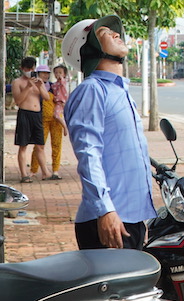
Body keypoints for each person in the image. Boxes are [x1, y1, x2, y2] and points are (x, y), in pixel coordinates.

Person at [62, 15, 156, 251]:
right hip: (108, 221)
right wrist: (105, 210)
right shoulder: (92, 90)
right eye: (105, 34)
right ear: (90, 47)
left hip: (130, 218)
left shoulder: (120, 90)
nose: (117, 35)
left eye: (116, 32)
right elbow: (88, 154)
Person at [11, 56, 50, 183]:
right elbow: (18, 101)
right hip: (24, 114)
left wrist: (39, 86)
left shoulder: (39, 81)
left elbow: (46, 97)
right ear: (23, 69)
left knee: (40, 145)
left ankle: (45, 172)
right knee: (23, 145)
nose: (30, 71)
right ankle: (24, 174)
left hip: (37, 114)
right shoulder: (17, 82)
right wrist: (28, 87)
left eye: (32, 69)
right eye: (28, 69)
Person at [30, 64, 68, 180]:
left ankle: (55, 170)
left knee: (56, 145)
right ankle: (33, 170)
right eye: (43, 73)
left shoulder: (54, 86)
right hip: (41, 121)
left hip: (56, 120)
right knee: (38, 146)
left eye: (47, 73)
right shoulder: (33, 87)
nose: (45, 75)